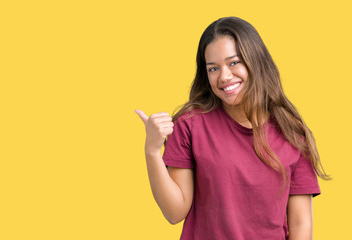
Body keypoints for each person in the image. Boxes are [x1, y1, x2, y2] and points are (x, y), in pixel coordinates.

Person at [135, 16, 330, 240]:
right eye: (213, 68)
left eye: (234, 62)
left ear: (255, 61)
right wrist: (152, 151)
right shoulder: (190, 125)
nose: (224, 77)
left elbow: (300, 223)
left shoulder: (292, 134)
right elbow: (174, 212)